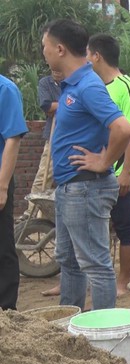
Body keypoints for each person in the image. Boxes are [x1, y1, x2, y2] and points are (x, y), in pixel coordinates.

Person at [41, 19, 130, 311]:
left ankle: (103, 335)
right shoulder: (73, 85)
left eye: (44, 46)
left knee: (96, 264)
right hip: (71, 188)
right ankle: (70, 325)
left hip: (85, 188)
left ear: (59, 49)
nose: (43, 52)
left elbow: (124, 128)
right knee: (69, 260)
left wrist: (104, 161)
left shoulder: (88, 85)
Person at [87, 34, 130, 297]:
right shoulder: (95, 86)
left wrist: (125, 172)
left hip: (125, 171)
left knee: (125, 226)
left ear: (96, 55)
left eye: (87, 54)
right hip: (99, 170)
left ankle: (122, 282)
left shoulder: (128, 87)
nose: (86, 59)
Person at [18, 69, 62, 223]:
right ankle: (31, 212)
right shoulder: (45, 83)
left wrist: (60, 105)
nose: (56, 71)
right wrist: (67, 103)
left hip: (71, 136)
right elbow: (47, 106)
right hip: (53, 136)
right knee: (44, 174)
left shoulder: (71, 81)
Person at [0, 74, 28, 311]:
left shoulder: (5, 89)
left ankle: (6, 309)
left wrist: (2, 186)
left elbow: (13, 138)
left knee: (2, 245)